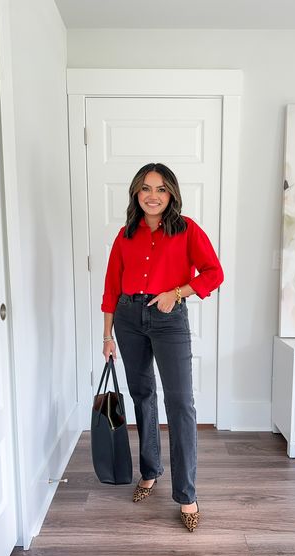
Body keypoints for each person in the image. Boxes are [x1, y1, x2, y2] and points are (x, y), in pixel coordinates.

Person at [101, 163, 223, 531]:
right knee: (142, 395)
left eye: (160, 189)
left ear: (171, 194)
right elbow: (110, 290)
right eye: (145, 188)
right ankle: (150, 470)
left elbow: (214, 272)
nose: (152, 195)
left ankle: (186, 493)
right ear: (136, 194)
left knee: (181, 403)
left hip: (169, 318)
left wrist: (176, 292)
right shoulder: (125, 236)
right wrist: (107, 336)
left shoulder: (187, 230)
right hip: (127, 318)